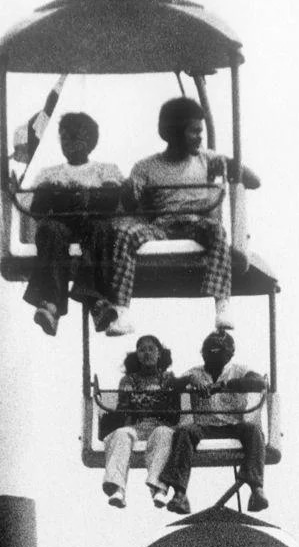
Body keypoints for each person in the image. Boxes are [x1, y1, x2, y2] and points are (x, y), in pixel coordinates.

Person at [93, 96, 260, 338]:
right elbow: (130, 202)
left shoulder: (207, 159)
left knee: (216, 232)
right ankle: (122, 310)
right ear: (174, 132)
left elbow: (255, 181)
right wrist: (130, 191)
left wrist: (231, 167)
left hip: (196, 222)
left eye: (201, 132)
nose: (200, 137)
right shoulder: (146, 167)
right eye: (194, 132)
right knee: (125, 235)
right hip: (162, 225)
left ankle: (222, 302)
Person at [22, 112, 124, 336]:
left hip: (91, 222)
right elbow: (37, 209)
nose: (70, 144)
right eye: (65, 138)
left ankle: (95, 299)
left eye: (77, 138)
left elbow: (111, 201)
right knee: (50, 230)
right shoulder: (49, 174)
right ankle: (51, 303)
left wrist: (88, 197)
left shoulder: (105, 170)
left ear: (89, 141)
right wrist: (54, 194)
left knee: (101, 229)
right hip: (62, 223)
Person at [160, 330, 268, 513]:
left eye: (219, 352)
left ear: (229, 354)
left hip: (233, 425)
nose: (213, 357)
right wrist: (188, 380)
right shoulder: (195, 372)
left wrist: (227, 385)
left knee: (254, 431)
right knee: (184, 432)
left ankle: (256, 489)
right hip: (205, 426)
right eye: (209, 352)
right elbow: (171, 385)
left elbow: (259, 382)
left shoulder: (239, 370)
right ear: (203, 354)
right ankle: (180, 494)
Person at [100, 334, 178, 508]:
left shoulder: (168, 379)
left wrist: (149, 403)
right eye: (142, 350)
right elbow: (126, 410)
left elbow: (173, 412)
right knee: (121, 434)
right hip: (137, 425)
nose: (147, 353)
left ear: (159, 354)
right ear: (137, 355)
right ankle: (117, 488)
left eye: (151, 349)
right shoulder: (129, 380)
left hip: (160, 425)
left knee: (165, 434)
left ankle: (159, 488)